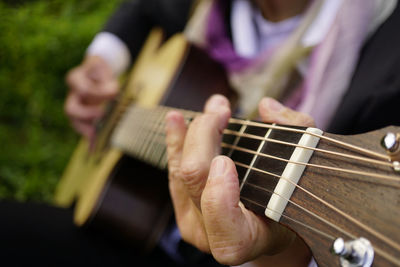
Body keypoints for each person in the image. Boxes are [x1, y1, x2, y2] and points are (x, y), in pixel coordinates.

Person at [63, 0, 400, 266]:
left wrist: (274, 250)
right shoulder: (203, 6)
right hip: (129, 217)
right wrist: (102, 62)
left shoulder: (387, 66)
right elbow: (141, 9)